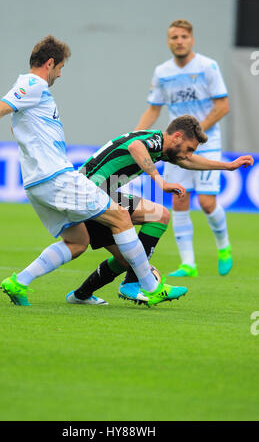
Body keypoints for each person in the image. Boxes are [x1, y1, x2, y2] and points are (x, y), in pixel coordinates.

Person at [0, 35, 184, 308]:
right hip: (56, 177)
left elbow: (17, 123)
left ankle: (19, 282)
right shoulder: (33, 84)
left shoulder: (33, 97)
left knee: (78, 241)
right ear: (50, 63)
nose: (60, 74)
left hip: (36, 185)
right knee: (120, 217)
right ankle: (150, 287)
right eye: (61, 68)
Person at [66, 116, 253, 305]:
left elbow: (187, 162)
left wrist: (228, 166)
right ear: (177, 137)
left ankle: (82, 295)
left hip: (95, 195)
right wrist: (161, 181)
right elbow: (135, 147)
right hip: (89, 194)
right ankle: (133, 282)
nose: (188, 154)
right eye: (189, 148)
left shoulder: (161, 146)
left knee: (127, 258)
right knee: (158, 217)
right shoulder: (155, 141)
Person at [136, 19, 232, 278]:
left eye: (183, 37)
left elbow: (222, 106)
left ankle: (223, 247)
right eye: (173, 37)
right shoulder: (162, 72)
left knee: (207, 203)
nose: (178, 41)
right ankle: (188, 264)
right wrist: (136, 134)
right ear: (168, 41)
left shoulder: (208, 67)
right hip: (176, 147)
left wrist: (196, 134)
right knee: (179, 199)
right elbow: (154, 109)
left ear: (191, 40)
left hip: (207, 144)